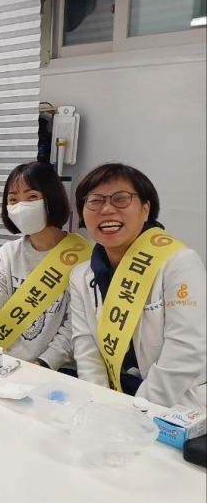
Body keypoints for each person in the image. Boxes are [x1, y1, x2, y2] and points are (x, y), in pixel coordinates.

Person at [70, 163, 205, 410]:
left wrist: (136, 413)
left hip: (174, 406)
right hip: (112, 400)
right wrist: (99, 405)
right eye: (95, 201)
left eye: (121, 198)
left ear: (145, 209)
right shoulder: (80, 275)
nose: (107, 209)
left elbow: (186, 352)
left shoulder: (179, 262)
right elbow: (86, 349)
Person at [0, 162, 91, 371]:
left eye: (32, 197)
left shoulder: (81, 256)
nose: (21, 206)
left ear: (51, 198)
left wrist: (42, 364)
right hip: (3, 360)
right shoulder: (8, 252)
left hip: (53, 368)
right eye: (13, 200)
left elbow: (75, 327)